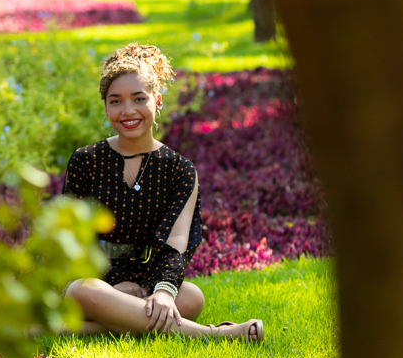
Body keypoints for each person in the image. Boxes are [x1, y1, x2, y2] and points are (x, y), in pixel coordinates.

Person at [62, 43, 264, 342]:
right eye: (116, 101)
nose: (128, 111)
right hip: (93, 279)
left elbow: (178, 241)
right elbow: (72, 239)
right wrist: (115, 284)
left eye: (139, 99)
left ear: (157, 101)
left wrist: (164, 290)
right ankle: (212, 335)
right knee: (85, 291)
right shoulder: (86, 160)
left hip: (148, 278)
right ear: (105, 107)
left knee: (191, 298)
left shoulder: (181, 170)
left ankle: (97, 323)